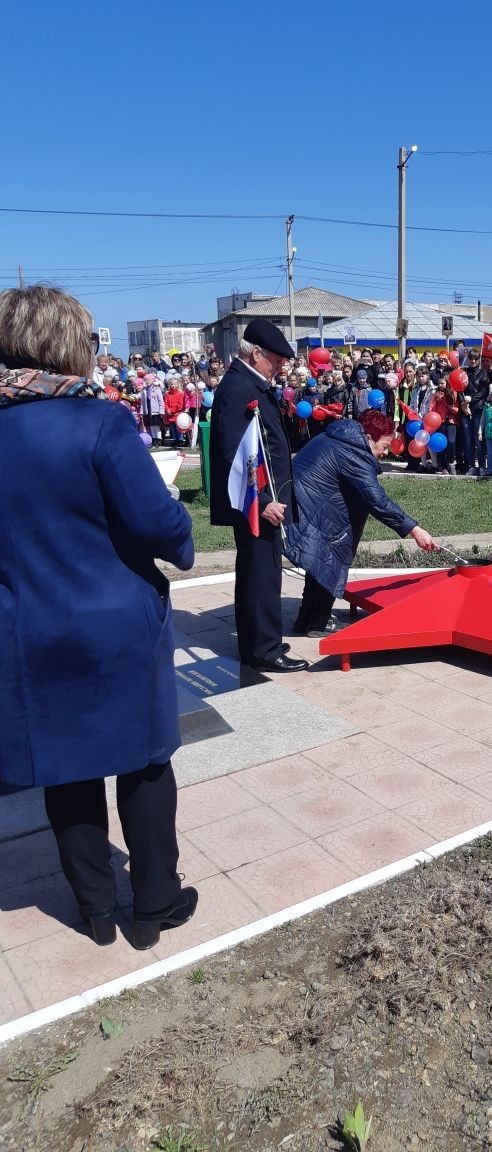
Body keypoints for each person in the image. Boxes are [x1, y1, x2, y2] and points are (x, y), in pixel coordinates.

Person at [0, 285, 197, 949]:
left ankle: (94, 910)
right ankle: (153, 906)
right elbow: (155, 523)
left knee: (66, 769)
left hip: (30, 630)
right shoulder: (100, 422)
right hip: (114, 628)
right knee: (144, 764)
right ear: (67, 345)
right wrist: (180, 529)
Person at [209, 318, 308, 673]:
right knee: (259, 574)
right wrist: (263, 502)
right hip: (255, 502)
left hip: (265, 499)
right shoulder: (238, 388)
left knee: (263, 570)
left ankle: (259, 641)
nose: (281, 367)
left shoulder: (254, 383)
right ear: (255, 353)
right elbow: (236, 452)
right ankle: (262, 649)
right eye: (276, 360)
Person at [285, 410, 437, 636]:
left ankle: (306, 620)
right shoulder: (353, 452)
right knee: (329, 557)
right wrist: (414, 529)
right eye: (384, 446)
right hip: (316, 509)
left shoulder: (337, 437)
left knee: (317, 561)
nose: (385, 452)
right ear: (367, 438)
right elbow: (375, 499)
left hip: (302, 506)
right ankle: (318, 623)